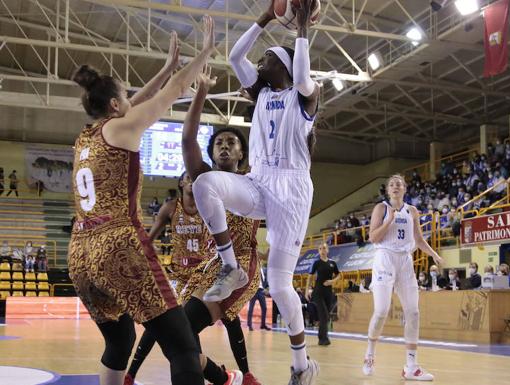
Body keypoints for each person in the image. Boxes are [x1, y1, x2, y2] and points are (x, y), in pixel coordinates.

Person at [69, 18, 215, 385]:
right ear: (116, 104)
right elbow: (174, 91)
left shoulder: (86, 137)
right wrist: (207, 51)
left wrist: (166, 66)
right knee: (182, 346)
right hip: (116, 245)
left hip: (79, 253)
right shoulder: (122, 128)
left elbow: (135, 100)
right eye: (126, 97)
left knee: (120, 340)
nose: (133, 100)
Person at [192, 1, 321, 383]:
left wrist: (301, 29)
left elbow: (302, 75)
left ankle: (301, 365)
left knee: (281, 284)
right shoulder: (262, 95)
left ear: (283, 64)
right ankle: (229, 265)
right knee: (206, 184)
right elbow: (234, 55)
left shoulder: (304, 95)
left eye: (267, 58)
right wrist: (265, 16)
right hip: (260, 181)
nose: (260, 61)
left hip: (293, 189)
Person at [125, 71, 264, 385]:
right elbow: (188, 139)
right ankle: (226, 378)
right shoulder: (203, 179)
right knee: (179, 337)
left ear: (242, 153)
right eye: (218, 144)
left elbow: (270, 143)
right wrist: (201, 90)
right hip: (212, 268)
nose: (224, 147)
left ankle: (239, 375)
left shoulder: (253, 178)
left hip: (242, 265)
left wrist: (261, 102)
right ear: (211, 153)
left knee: (187, 331)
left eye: (231, 143)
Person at [362, 174, 444, 381]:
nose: (395, 186)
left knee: (413, 312)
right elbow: (373, 237)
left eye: (399, 184)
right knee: (381, 311)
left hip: (405, 261)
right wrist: (389, 221)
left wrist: (434, 254)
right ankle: (369, 354)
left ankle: (411, 366)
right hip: (385, 258)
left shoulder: (412, 211)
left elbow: (418, 239)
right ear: (388, 190)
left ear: (405, 188)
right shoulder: (381, 208)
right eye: (391, 184)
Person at [305, 243, 340, 346]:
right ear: (319, 251)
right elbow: (310, 277)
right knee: (324, 315)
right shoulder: (316, 263)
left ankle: (322, 336)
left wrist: (332, 282)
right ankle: (323, 339)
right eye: (320, 249)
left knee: (326, 315)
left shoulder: (332, 263)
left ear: (327, 250)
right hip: (318, 292)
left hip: (328, 293)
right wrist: (307, 291)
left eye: (324, 248)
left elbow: (339, 275)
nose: (322, 250)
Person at [248, 262, 271, 331]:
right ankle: (250, 325)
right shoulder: (252, 269)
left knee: (264, 308)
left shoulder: (263, 270)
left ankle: (263, 325)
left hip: (261, 291)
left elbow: (265, 281)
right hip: (253, 291)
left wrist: (267, 288)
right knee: (251, 309)